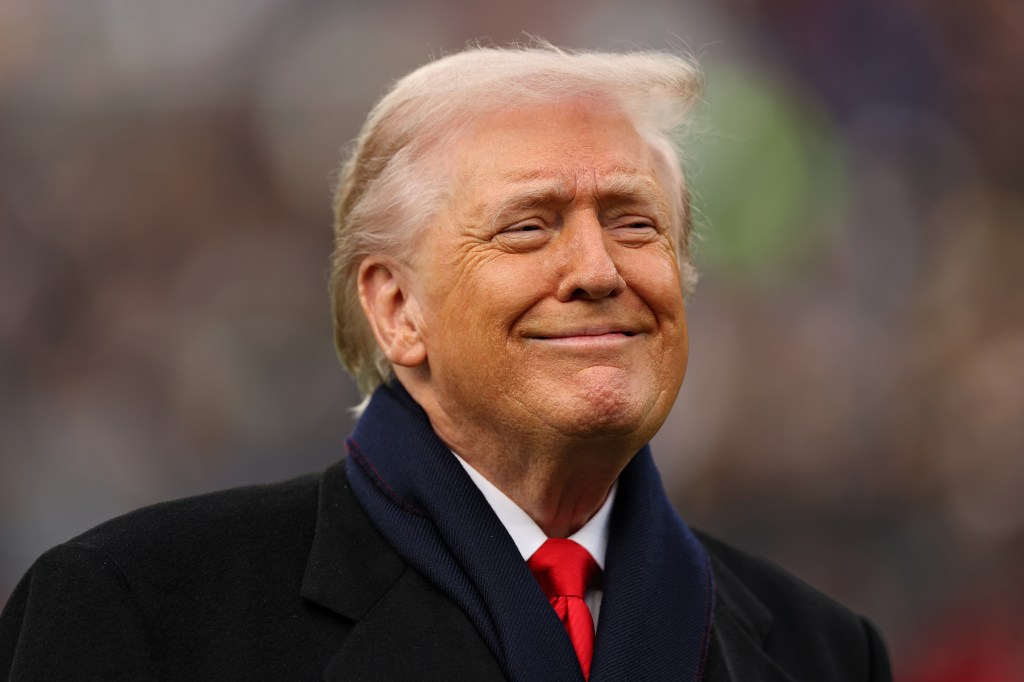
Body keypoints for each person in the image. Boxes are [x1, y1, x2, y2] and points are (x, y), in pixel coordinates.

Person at [0, 43, 891, 681]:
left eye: (634, 223)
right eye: (528, 227)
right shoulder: (145, 613)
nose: (597, 270)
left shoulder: (825, 653)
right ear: (397, 310)